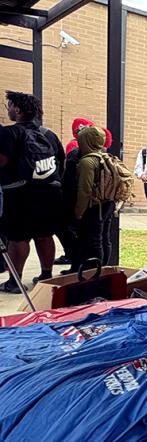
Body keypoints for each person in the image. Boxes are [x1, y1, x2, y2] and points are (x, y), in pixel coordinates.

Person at [0, 91, 65, 293]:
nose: (8, 109)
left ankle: (15, 282)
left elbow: (2, 162)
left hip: (18, 193)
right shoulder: (49, 135)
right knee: (45, 235)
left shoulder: (9, 133)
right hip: (50, 193)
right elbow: (60, 164)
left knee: (18, 238)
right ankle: (46, 276)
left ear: (17, 110)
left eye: (9, 106)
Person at [54, 117, 96, 270]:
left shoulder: (76, 152)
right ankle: (87, 265)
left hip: (75, 198)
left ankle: (77, 263)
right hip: (97, 202)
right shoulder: (103, 153)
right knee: (93, 237)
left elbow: (70, 180)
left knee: (62, 227)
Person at [73, 126, 114, 270]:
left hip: (93, 207)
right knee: (105, 239)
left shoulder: (87, 162)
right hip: (108, 204)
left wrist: (79, 211)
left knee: (94, 242)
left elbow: (85, 190)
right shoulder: (107, 157)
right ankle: (103, 269)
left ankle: (94, 273)